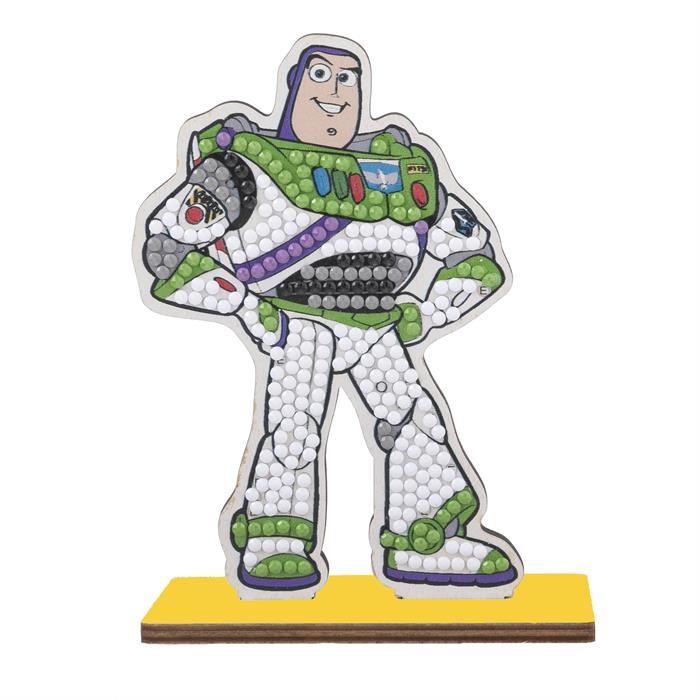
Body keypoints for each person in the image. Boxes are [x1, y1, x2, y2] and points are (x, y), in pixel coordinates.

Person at [136, 36, 522, 599]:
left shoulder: (402, 170)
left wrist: (429, 311)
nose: (336, 91)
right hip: (296, 324)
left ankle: (425, 537)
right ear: (294, 85)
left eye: (348, 78)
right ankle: (276, 539)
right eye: (320, 74)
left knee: (416, 423)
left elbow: (475, 255)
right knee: (294, 431)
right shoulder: (240, 168)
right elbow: (168, 247)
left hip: (380, 325)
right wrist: (245, 306)